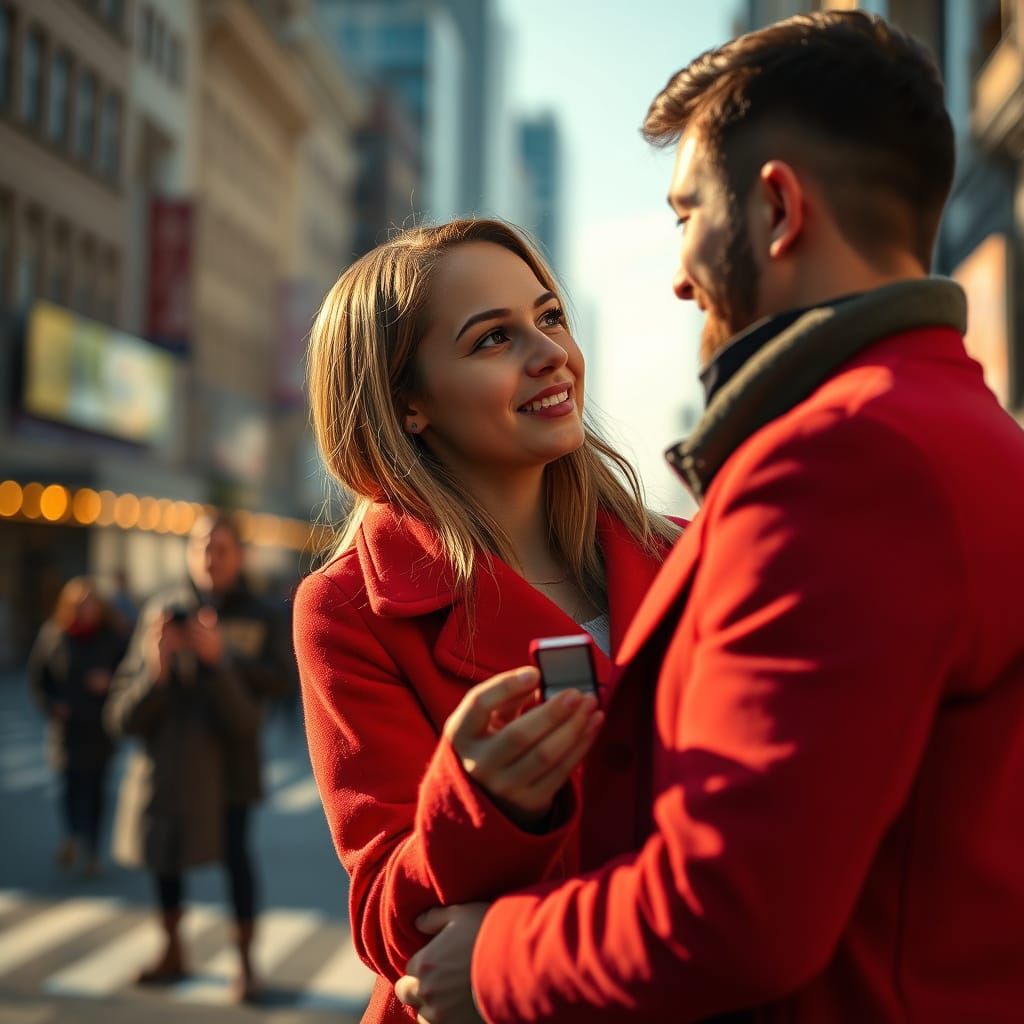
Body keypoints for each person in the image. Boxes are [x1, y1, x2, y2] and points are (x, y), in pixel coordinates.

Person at [395, 12, 1024, 1024]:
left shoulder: (839, 461)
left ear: (775, 209)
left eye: (685, 212)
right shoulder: (965, 429)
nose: (679, 274)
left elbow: (729, 908)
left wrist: (498, 957)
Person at [292, 218, 683, 1023]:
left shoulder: (685, 557)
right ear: (408, 405)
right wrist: (481, 805)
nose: (551, 355)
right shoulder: (349, 609)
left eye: (549, 317)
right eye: (492, 340)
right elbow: (390, 928)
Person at [105, 512, 294, 1003]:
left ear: (240, 555)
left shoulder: (260, 613)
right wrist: (157, 668)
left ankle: (247, 964)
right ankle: (173, 950)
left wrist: (222, 659)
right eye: (201, 548)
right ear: (188, 554)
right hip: (168, 767)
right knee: (164, 858)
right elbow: (120, 715)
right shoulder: (161, 613)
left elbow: (278, 684)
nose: (210, 558)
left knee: (237, 860)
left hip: (231, 765)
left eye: (221, 549)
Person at [27, 577, 127, 877]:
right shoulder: (55, 634)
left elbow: (129, 676)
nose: (86, 610)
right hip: (67, 729)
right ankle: (72, 835)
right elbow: (37, 679)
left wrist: (109, 683)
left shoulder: (112, 636)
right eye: (80, 605)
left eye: (91, 603)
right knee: (70, 788)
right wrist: (52, 705)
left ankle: (93, 851)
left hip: (99, 728)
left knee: (96, 792)